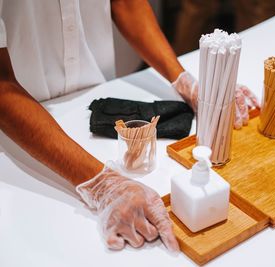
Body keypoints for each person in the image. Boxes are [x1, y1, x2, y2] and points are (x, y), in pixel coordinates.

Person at [0, 0, 258, 252]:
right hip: (24, 135)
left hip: (100, 93)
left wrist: (183, 80)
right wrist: (103, 185)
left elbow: (127, 3)